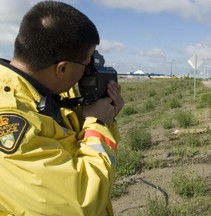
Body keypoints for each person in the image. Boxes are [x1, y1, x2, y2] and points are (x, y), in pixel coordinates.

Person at [0, 1, 124, 216]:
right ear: (63, 68)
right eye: (87, 64)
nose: (90, 70)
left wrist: (101, 109)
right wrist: (99, 123)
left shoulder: (45, 93)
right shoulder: (11, 121)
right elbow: (82, 202)